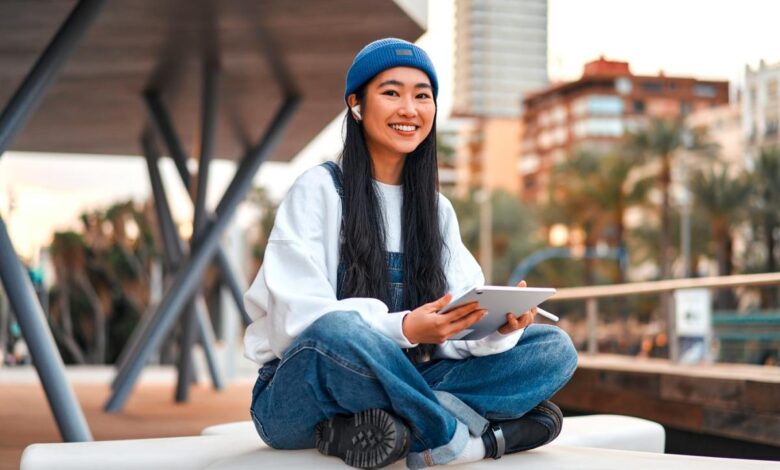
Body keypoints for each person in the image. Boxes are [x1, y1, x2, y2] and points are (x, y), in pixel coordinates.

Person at [244, 38, 578, 469]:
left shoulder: (436, 210)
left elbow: (458, 320)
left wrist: (498, 326)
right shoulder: (319, 190)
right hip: (303, 391)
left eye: (422, 95)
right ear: (357, 105)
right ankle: (464, 439)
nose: (410, 109)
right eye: (391, 92)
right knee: (338, 331)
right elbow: (300, 326)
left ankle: (382, 428)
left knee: (552, 348)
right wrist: (406, 328)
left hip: (403, 378)